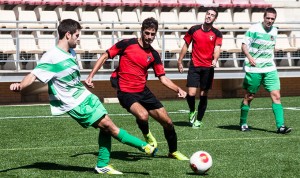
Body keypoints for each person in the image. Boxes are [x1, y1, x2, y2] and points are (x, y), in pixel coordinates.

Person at [9, 19, 157, 175]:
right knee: (109, 126)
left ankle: (102, 165)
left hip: (85, 95)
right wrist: (20, 85)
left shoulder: (71, 53)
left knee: (106, 128)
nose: (78, 39)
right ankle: (144, 146)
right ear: (68, 34)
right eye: (77, 36)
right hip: (75, 103)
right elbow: (33, 75)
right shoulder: (51, 56)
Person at [85, 17, 189, 160]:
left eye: (152, 34)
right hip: (126, 91)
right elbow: (105, 56)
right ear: (141, 31)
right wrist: (91, 76)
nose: (149, 37)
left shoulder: (154, 54)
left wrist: (178, 89)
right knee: (143, 115)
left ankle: (173, 151)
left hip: (143, 91)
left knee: (168, 122)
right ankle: (147, 135)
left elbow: (162, 77)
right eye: (147, 33)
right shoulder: (127, 44)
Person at [239, 8, 292, 134]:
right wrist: (250, 57)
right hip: (254, 68)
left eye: (272, 19)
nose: (270, 21)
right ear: (264, 17)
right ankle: (243, 123)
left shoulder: (274, 30)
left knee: (276, 96)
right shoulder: (254, 29)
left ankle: (281, 126)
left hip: (270, 68)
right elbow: (244, 45)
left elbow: (271, 46)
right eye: (268, 18)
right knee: (249, 96)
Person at [177, 8, 222, 128]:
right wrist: (180, 60)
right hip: (195, 66)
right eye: (208, 14)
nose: (209, 16)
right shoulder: (194, 29)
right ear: (205, 15)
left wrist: (215, 59)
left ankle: (199, 120)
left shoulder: (217, 33)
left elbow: (217, 48)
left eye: (212, 15)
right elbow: (186, 45)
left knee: (203, 94)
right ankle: (192, 111)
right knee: (191, 93)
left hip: (208, 68)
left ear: (215, 18)